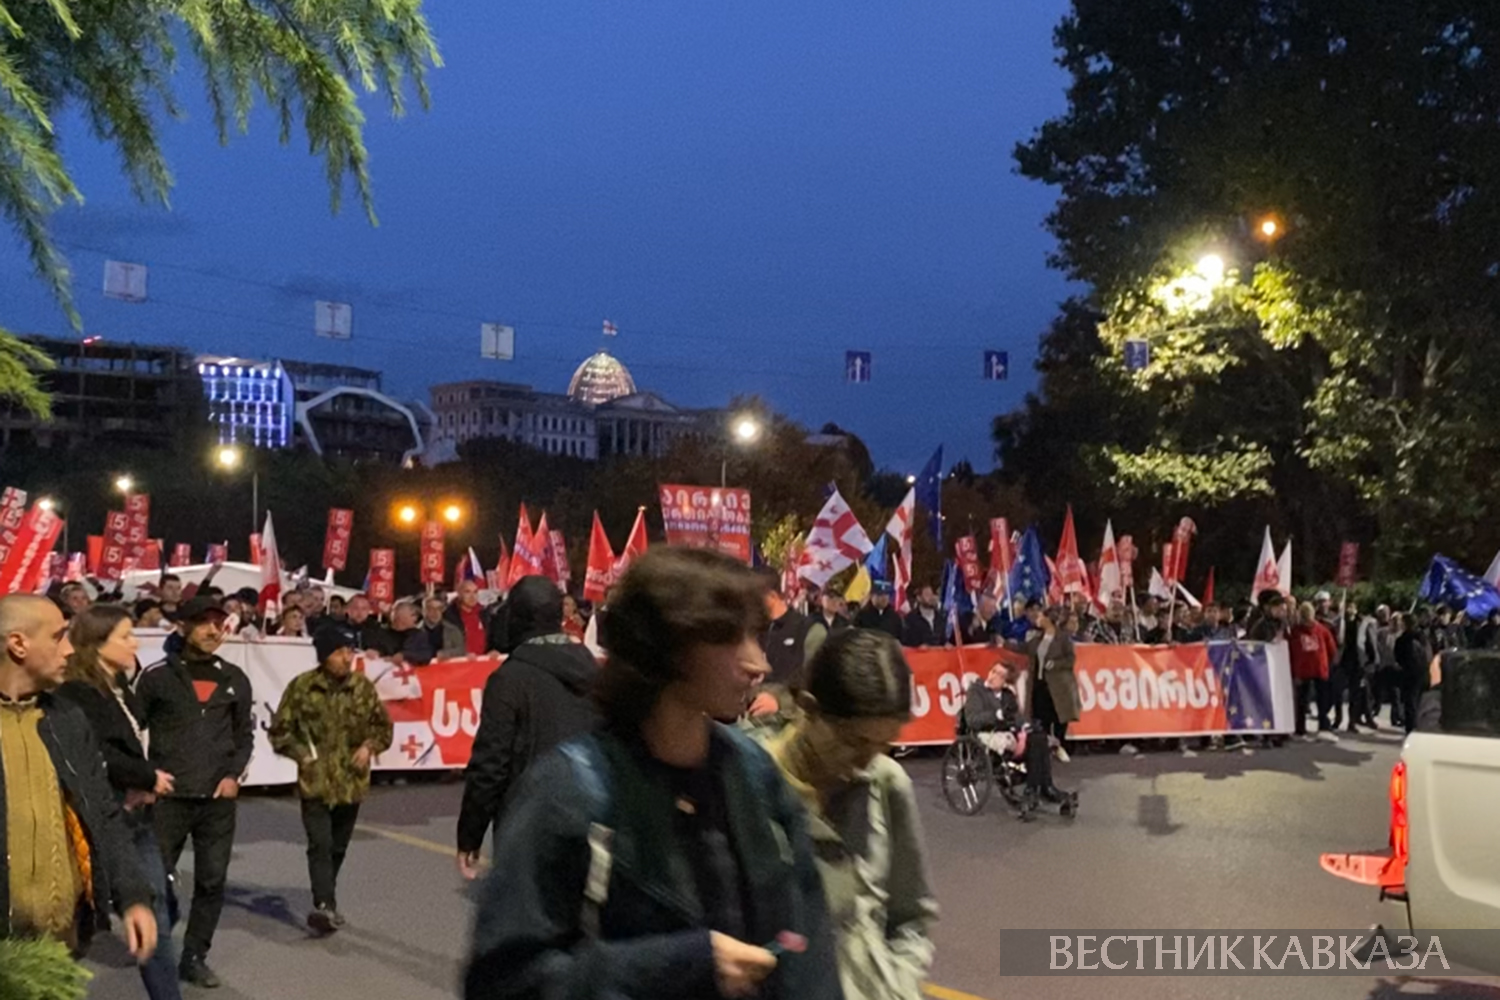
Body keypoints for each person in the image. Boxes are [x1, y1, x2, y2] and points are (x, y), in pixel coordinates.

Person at [464, 547, 843, 1000]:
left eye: (755, 636)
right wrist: (680, 964)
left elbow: (809, 947)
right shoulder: (571, 790)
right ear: (667, 647)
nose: (758, 664)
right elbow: (505, 981)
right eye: (728, 638)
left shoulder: (754, 775)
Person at [765, 629, 937, 999]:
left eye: (884, 746)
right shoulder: (753, 787)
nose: (866, 761)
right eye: (854, 742)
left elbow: (910, 918)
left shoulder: (886, 783)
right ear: (808, 708)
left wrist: (901, 986)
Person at [0, 595, 157, 962]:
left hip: (62, 945)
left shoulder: (67, 719)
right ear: (18, 644)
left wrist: (133, 896)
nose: (69, 650)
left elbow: (103, 812)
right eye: (58, 637)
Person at [56, 605, 182, 1000]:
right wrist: (144, 777)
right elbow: (95, 753)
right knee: (146, 912)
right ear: (97, 644)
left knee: (163, 906)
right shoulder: (77, 693)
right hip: (109, 813)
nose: (134, 644)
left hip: (137, 812)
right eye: (125, 636)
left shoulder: (119, 687)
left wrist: (144, 779)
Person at [136, 596, 254, 988]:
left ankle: (194, 956)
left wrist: (233, 775)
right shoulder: (156, 676)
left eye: (218, 622)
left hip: (217, 801)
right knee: (156, 881)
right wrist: (144, 777)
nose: (212, 630)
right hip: (167, 799)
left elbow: (244, 735)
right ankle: (159, 947)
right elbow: (131, 729)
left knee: (211, 881)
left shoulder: (235, 677)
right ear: (182, 626)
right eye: (203, 622)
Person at [457, 577, 599, 880]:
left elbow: (491, 763)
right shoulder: (591, 671)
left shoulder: (510, 679)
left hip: (527, 823)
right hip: (588, 818)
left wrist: (470, 835)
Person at [269, 625, 392, 935]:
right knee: (320, 844)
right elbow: (280, 732)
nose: (346, 658)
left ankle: (329, 899)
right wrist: (303, 756)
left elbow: (383, 728)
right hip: (316, 781)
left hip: (351, 782)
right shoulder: (303, 687)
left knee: (338, 847)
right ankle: (323, 904)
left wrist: (368, 747)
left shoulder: (362, 688)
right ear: (324, 655)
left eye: (349, 651)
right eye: (339, 652)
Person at [963, 661, 1074, 809]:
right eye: (993, 671)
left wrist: (1025, 725)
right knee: (1034, 743)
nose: (993, 676)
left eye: (999, 675)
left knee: (1039, 738)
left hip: (1009, 733)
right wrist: (996, 715)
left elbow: (1016, 717)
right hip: (987, 735)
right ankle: (1036, 790)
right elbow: (972, 720)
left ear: (1005, 682)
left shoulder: (1007, 696)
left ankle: (1044, 787)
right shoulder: (976, 691)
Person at [1032, 607, 1079, 761]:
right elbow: (1025, 649)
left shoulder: (1063, 638)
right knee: (1042, 718)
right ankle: (1047, 748)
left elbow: (1070, 659)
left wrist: (1055, 664)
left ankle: (1059, 746)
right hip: (1041, 683)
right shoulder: (1038, 638)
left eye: (1041, 616)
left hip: (1058, 685)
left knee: (1059, 718)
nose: (1038, 619)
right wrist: (1005, 643)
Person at [1289, 602, 1338, 741]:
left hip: (1314, 669)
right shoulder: (1298, 631)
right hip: (1307, 670)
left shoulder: (1319, 630)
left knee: (1316, 700)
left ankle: (1318, 727)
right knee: (1306, 700)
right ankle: (1305, 728)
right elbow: (1332, 650)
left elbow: (1332, 649)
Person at [1394, 611, 1434, 735]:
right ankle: (1420, 727)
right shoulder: (1423, 637)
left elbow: (1398, 657)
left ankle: (1411, 729)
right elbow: (1429, 654)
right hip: (1424, 673)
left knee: (1410, 703)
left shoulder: (1403, 639)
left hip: (1409, 674)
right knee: (1420, 703)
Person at [447, 579, 503, 657]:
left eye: (475, 592)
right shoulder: (449, 616)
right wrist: (462, 655)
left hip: (482, 661)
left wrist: (492, 650)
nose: (472, 596)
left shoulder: (485, 614)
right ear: (459, 594)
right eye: (467, 592)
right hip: (460, 661)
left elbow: (492, 638)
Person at [343, 593, 398, 658]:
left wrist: (378, 651)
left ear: (369, 610)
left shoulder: (376, 628)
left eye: (364, 608)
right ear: (348, 609)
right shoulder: (337, 627)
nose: (360, 612)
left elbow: (390, 647)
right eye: (356, 608)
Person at [419, 595, 467, 662]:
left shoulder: (452, 630)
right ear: (424, 611)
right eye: (431, 608)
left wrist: (447, 654)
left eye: (439, 608)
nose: (435, 612)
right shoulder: (415, 632)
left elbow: (462, 650)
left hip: (447, 667)